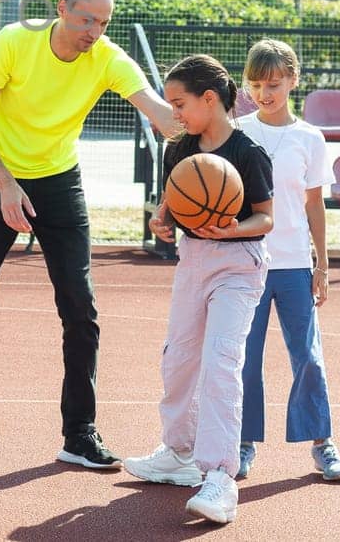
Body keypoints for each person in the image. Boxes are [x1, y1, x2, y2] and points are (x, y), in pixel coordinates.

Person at [0, 0, 179, 470]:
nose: (94, 31)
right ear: (61, 8)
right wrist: (4, 184)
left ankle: (79, 434)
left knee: (81, 310)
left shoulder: (106, 58)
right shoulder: (14, 42)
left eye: (103, 23)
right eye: (86, 19)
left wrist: (210, 121)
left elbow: (160, 113)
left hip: (60, 182)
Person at [126, 54, 274, 526]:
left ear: (210, 99)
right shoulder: (180, 148)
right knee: (179, 359)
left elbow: (266, 218)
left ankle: (220, 477)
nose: (175, 113)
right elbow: (174, 202)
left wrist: (233, 230)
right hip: (194, 260)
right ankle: (178, 452)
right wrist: (162, 219)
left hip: (238, 264)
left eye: (180, 103)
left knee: (220, 365)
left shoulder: (249, 153)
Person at [234, 39, 340, 482]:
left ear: (293, 80)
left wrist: (322, 265)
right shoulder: (238, 131)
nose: (266, 92)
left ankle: (323, 444)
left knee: (308, 356)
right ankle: (242, 444)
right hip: (247, 262)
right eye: (258, 84)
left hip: (294, 265)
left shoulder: (309, 137)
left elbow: (314, 204)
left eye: (275, 83)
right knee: (245, 358)